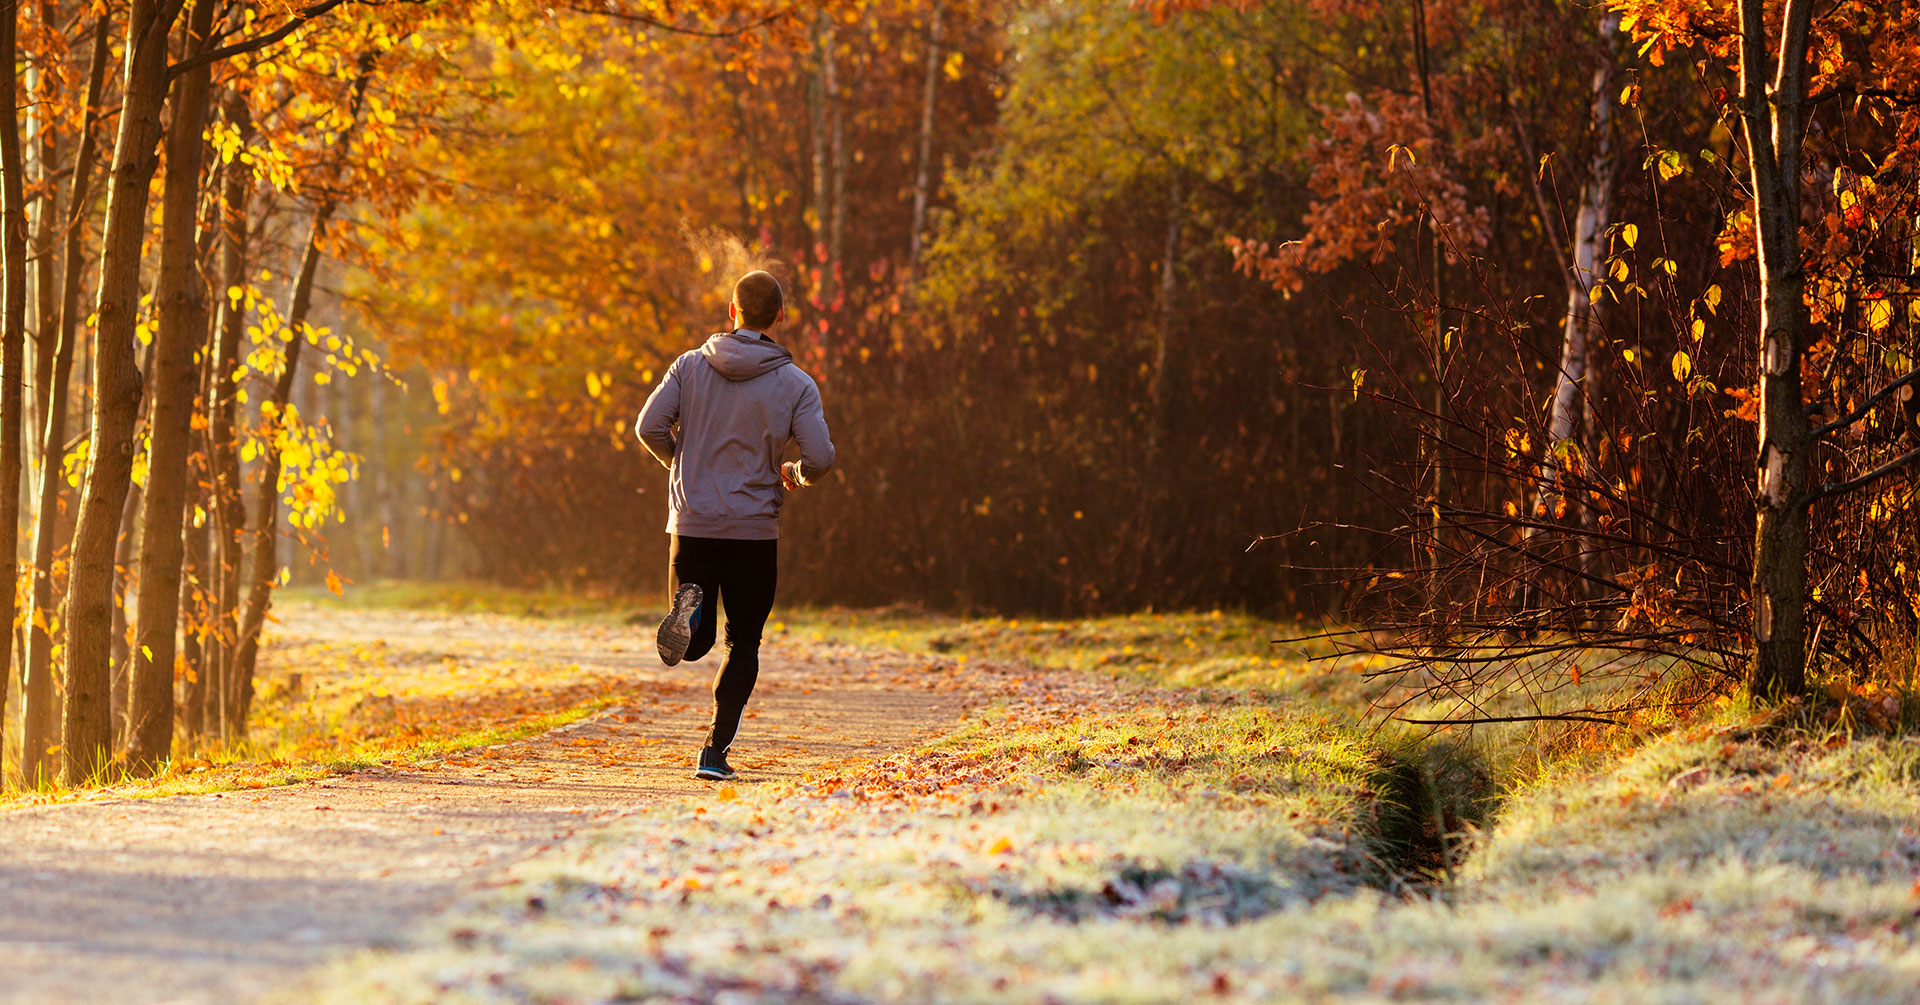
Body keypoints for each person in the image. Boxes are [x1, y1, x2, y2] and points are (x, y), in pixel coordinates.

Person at [635, 270, 834, 781]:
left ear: (732, 310)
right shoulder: (796, 384)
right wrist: (795, 474)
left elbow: (648, 426)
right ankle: (713, 751)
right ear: (781, 316)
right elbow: (821, 457)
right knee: (743, 641)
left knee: (695, 642)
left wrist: (678, 464)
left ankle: (690, 613)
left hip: (693, 520)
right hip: (752, 530)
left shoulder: (688, 367)